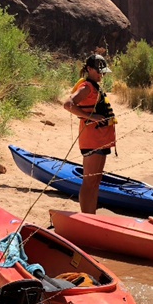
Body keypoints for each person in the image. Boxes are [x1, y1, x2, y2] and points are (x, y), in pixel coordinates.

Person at [63, 54, 116, 214]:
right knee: (89, 181)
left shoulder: (95, 86)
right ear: (89, 69)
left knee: (95, 181)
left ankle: (91, 216)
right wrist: (91, 117)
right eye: (99, 71)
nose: (102, 75)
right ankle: (86, 217)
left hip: (101, 140)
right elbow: (68, 104)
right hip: (92, 140)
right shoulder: (86, 87)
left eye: (103, 72)